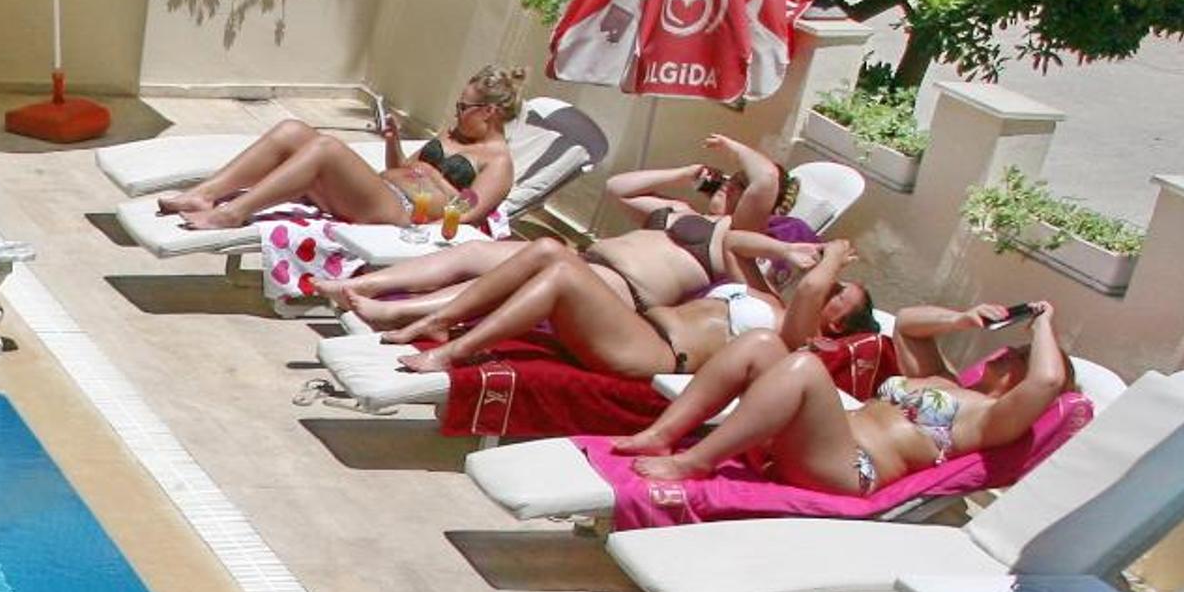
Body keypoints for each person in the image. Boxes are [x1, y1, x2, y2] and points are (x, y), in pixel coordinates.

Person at [614, 300, 1069, 494]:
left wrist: (1044, 324)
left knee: (804, 367)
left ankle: (695, 462)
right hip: (808, 446)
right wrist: (962, 320)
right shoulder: (943, 380)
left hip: (849, 470)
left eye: (1021, 355)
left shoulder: (989, 419)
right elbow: (908, 323)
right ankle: (661, 434)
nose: (1007, 350)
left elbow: (1047, 382)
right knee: (761, 343)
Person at [390, 234, 875, 379]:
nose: (830, 287)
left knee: (561, 275)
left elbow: (811, 290)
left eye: (840, 296)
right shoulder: (768, 299)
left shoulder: (798, 339)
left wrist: (834, 255)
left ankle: (451, 354)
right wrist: (787, 250)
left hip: (655, 353)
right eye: (837, 284)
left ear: (835, 327)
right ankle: (439, 320)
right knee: (548, 250)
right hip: (636, 326)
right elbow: (735, 245)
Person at [346, 210, 831, 347]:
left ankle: (408, 316)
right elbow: (622, 188)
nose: (727, 186)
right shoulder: (705, 223)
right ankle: (376, 292)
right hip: (599, 268)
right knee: (487, 253)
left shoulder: (771, 303)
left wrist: (807, 257)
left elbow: (761, 189)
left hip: (629, 299)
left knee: (542, 266)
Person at [154, 66, 525, 232]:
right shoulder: (454, 133)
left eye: (463, 107)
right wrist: (393, 143)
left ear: (489, 112)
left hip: (400, 212)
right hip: (379, 190)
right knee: (293, 131)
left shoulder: (497, 162)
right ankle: (205, 194)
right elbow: (404, 168)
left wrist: (435, 193)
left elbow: (468, 214)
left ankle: (232, 214)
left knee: (327, 148)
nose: (456, 112)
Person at [605, 133, 797, 231]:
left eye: (742, 185)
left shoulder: (734, 235)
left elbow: (766, 177)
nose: (729, 184)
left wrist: (733, 147)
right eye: (733, 177)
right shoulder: (681, 211)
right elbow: (616, 188)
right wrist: (685, 174)